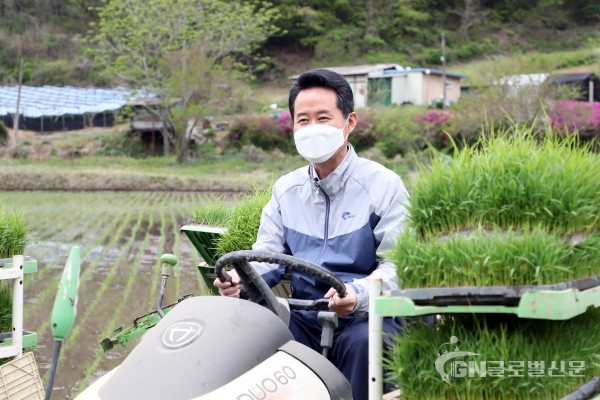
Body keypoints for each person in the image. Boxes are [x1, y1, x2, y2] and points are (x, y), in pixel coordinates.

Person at [214, 68, 410, 400]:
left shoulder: (384, 186)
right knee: (256, 335)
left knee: (363, 342)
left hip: (365, 314)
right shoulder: (285, 191)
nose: (312, 128)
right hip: (305, 313)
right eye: (303, 120)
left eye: (323, 118)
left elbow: (399, 266)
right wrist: (238, 279)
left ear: (349, 123)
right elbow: (266, 257)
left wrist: (357, 294)